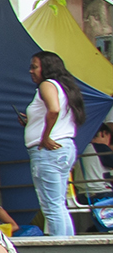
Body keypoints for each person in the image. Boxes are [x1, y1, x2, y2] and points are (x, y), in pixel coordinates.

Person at [22, 49, 82, 237]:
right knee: (58, 204)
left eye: (34, 67)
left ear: (46, 68)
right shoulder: (63, 86)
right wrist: (31, 123)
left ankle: (61, 249)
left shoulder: (46, 85)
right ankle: (70, 245)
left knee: (51, 206)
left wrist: (45, 136)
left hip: (48, 151)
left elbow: (54, 110)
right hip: (64, 148)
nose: (31, 71)